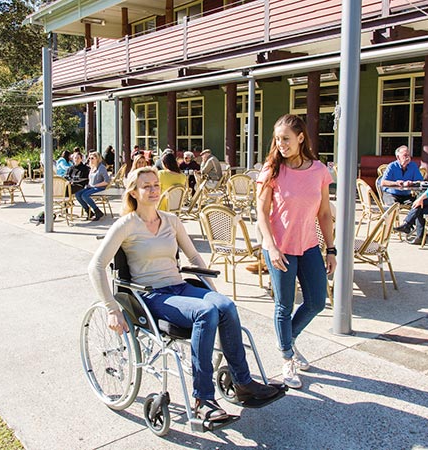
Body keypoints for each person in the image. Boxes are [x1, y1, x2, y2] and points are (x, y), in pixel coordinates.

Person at [88, 166, 278, 421]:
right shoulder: (126, 225)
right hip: (151, 295)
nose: (154, 190)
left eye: (156, 184)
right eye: (147, 186)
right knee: (206, 312)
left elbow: (194, 256)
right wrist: (112, 309)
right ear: (133, 192)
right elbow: (96, 266)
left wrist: (213, 291)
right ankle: (203, 399)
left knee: (225, 305)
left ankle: (242, 383)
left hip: (179, 286)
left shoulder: (171, 220)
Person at [256, 114, 336, 390]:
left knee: (317, 301)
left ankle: (288, 339)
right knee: (283, 305)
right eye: (277, 139)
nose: (280, 144)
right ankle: (287, 356)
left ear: (301, 138)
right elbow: (261, 213)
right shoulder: (272, 170)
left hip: (309, 246)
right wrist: (270, 245)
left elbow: (324, 213)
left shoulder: (319, 171)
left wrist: (331, 249)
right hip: (280, 249)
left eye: (286, 139)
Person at [75, 151, 110, 221]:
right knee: (78, 194)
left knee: (84, 195)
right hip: (91, 187)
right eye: (89, 158)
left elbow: (107, 181)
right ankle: (88, 211)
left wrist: (96, 185)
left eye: (92, 158)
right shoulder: (92, 167)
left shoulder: (101, 167)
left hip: (100, 188)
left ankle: (97, 211)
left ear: (97, 158)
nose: (90, 160)